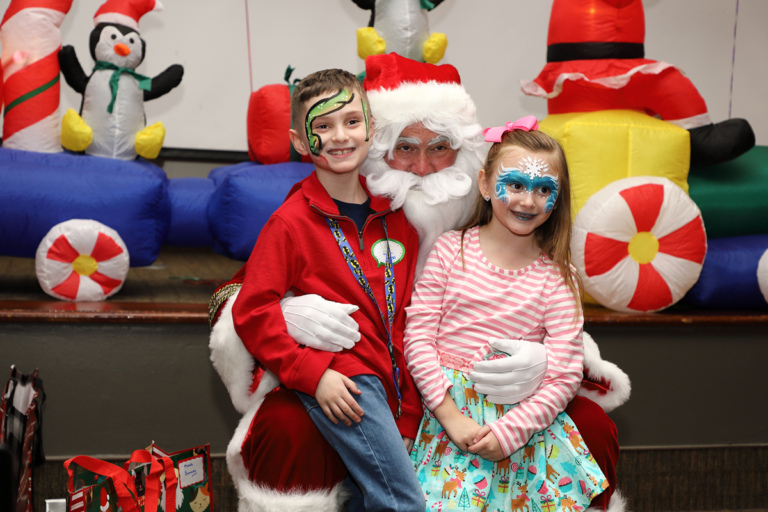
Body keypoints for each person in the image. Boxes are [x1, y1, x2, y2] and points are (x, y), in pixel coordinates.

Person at [209, 54, 627, 511]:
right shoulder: (318, 211)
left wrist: (545, 359)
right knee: (300, 431)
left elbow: (548, 300)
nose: (424, 168)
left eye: (440, 147)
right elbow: (243, 295)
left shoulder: (496, 212)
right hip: (368, 379)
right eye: (406, 148)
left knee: (589, 423)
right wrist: (290, 315)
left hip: (471, 395)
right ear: (378, 146)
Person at [230, 68, 424, 511]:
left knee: (362, 499)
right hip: (348, 384)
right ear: (300, 141)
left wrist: (410, 409)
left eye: (352, 121)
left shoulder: (397, 219)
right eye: (323, 125)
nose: (340, 135)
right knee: (404, 503)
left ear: (372, 129)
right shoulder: (290, 222)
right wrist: (312, 374)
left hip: (394, 385)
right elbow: (252, 311)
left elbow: (407, 316)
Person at [405, 116, 607, 510]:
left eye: (543, 188)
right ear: (485, 184)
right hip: (448, 419)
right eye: (514, 184)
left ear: (558, 196)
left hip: (525, 432)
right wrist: (450, 416)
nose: (527, 200)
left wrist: (510, 433)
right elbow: (418, 337)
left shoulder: (559, 278)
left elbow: (565, 373)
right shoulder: (450, 251)